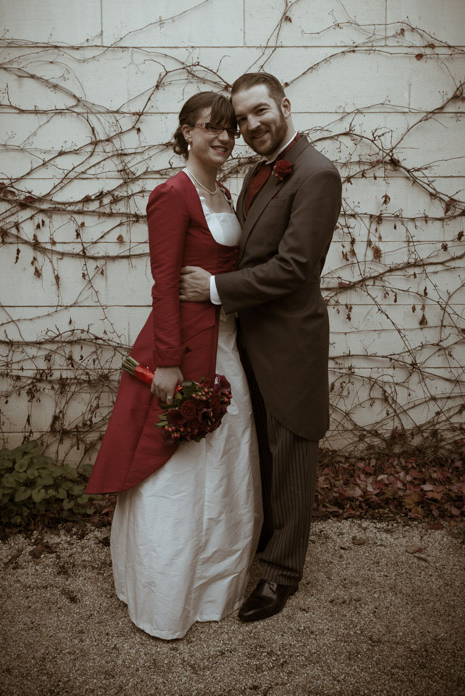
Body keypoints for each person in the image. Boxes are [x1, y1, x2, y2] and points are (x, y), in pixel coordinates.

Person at [86, 91, 262, 640]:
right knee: (176, 470)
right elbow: (165, 282)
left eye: (230, 129)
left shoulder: (223, 191)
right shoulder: (171, 194)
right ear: (186, 131)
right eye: (213, 128)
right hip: (183, 347)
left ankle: (214, 587)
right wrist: (166, 363)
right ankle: (165, 595)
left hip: (227, 344)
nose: (226, 138)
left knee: (227, 461)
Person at [179, 72, 342, 623]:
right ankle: (260, 546)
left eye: (258, 113)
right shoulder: (255, 174)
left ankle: (280, 575)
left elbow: (295, 268)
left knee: (292, 454)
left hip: (289, 341)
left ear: (285, 106)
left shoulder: (317, 174)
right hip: (246, 337)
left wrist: (216, 289)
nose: (249, 127)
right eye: (241, 119)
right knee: (264, 456)